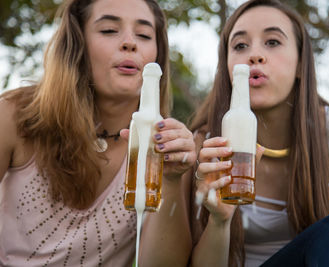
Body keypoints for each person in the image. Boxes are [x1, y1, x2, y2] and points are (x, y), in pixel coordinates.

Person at [187, 0, 329, 266]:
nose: (254, 55)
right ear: (227, 67)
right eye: (240, 45)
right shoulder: (205, 147)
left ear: (301, 64)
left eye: (273, 42)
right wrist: (219, 221)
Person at [0, 0, 195, 266]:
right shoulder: (12, 115)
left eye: (144, 35)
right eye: (109, 30)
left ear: (157, 57)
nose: (130, 43)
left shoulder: (166, 145)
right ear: (77, 44)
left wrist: (172, 181)